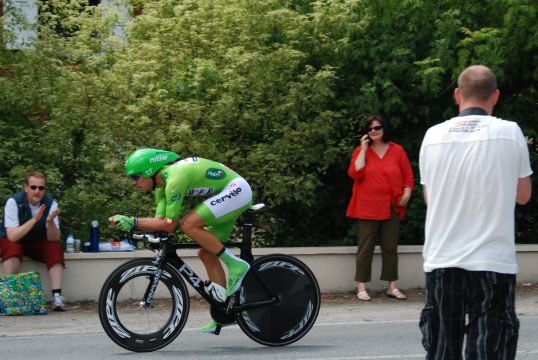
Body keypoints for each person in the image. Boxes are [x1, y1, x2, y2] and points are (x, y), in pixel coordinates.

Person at [418, 65, 533, 359]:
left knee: (443, 343)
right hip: (492, 258)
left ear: (458, 95)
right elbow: (523, 196)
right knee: (489, 343)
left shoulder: (432, 135)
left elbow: (431, 197)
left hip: (443, 256)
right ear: (494, 96)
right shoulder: (510, 132)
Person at [109, 149, 252, 334]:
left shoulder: (174, 180)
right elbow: (160, 223)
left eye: (136, 177)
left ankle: (236, 265)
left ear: (149, 171)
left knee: (188, 224)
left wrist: (133, 221)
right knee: (206, 253)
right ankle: (223, 312)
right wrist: (135, 227)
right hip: (230, 192)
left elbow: (170, 225)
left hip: (237, 189)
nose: (133, 182)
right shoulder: (160, 188)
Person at [346, 115, 414, 301]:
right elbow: (355, 173)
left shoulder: (397, 150)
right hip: (367, 207)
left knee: (390, 247)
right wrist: (363, 148)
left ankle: (392, 286)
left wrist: (407, 194)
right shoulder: (361, 151)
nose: (374, 131)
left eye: (377, 128)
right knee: (365, 248)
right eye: (370, 129)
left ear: (384, 129)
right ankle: (361, 286)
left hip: (391, 205)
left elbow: (408, 175)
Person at [0, 171, 66, 311]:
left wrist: (50, 222)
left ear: (45, 190)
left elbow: (53, 238)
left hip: (37, 242)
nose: (37, 191)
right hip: (17, 240)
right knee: (11, 247)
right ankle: (8, 295)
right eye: (33, 187)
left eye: (41, 188)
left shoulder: (51, 204)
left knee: (54, 247)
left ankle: (57, 297)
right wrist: (34, 220)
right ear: (26, 188)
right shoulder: (13, 202)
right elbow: (12, 236)